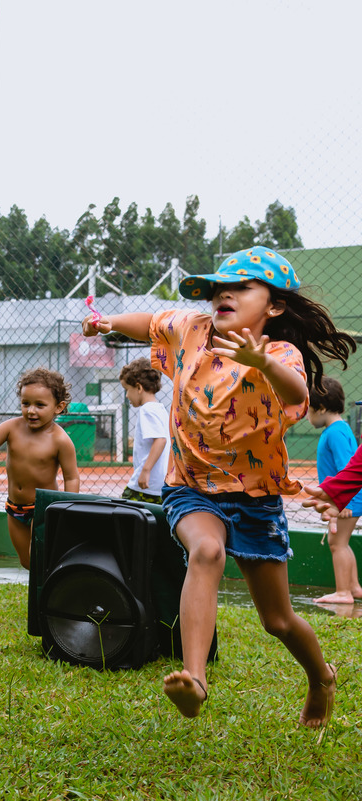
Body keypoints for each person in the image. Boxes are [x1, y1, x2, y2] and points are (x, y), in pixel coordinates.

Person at [83, 245, 353, 728]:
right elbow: (149, 322)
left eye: (241, 287)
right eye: (216, 289)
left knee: (278, 621)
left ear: (274, 306)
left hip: (254, 498)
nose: (222, 294)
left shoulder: (277, 352)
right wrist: (107, 324)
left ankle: (321, 678)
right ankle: (194, 677)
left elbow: (297, 390)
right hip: (190, 486)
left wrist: (261, 363)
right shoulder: (191, 330)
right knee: (205, 552)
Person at [0, 368, 80, 569]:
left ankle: (49, 598)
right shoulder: (10, 428)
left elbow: (71, 477)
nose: (31, 411)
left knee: (40, 559)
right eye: (25, 403)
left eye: (40, 405)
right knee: (27, 562)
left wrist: (67, 510)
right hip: (14, 508)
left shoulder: (60, 440)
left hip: (44, 509)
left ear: (59, 407)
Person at [302, 378, 362, 603]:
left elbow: (346, 466)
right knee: (342, 543)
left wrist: (344, 503)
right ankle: (354, 587)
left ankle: (343, 592)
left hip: (345, 502)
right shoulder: (338, 429)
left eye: (309, 409)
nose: (307, 416)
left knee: (337, 544)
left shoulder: (335, 432)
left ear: (321, 408)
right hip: (344, 500)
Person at [119, 357, 171, 503]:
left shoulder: (147, 410)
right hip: (158, 483)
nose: (127, 395)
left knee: (124, 510)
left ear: (139, 388)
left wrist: (145, 470)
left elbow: (160, 440)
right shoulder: (160, 408)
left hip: (146, 484)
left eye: (127, 390)